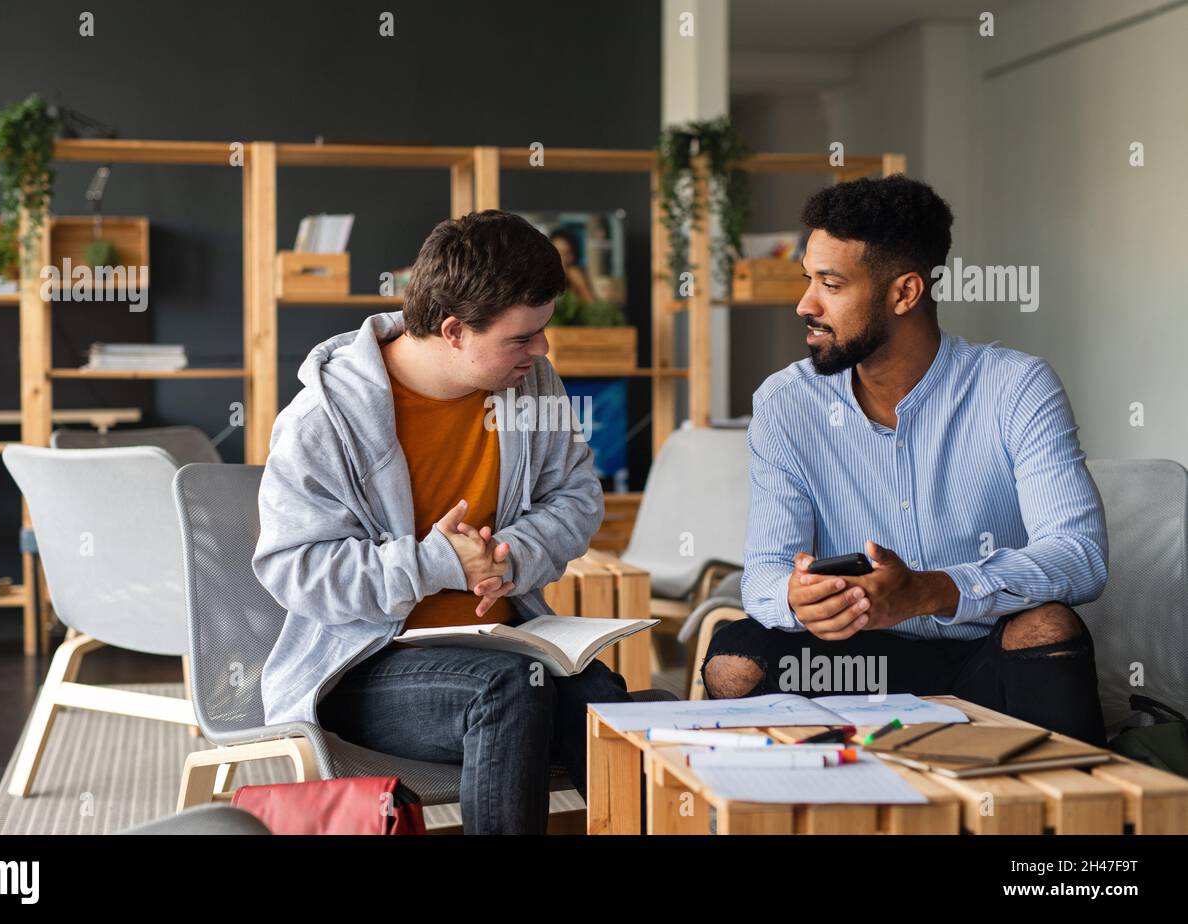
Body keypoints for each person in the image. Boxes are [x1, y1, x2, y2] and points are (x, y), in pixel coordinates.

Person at [252, 209, 639, 834]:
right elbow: (292, 569)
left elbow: (576, 494)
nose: (541, 350)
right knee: (510, 691)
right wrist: (437, 563)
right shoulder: (322, 419)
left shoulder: (531, 385)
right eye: (521, 337)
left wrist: (507, 555)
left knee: (601, 700)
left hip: (508, 643)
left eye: (543, 330)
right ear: (454, 330)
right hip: (363, 663)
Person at [701, 175, 1110, 746]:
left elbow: (1079, 556)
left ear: (904, 293)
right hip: (852, 663)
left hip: (976, 661)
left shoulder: (1017, 387)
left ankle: (1073, 812)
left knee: (1048, 626)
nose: (805, 304)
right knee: (733, 663)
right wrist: (796, 600)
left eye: (831, 284)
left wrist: (931, 590)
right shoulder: (785, 401)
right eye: (807, 280)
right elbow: (766, 571)